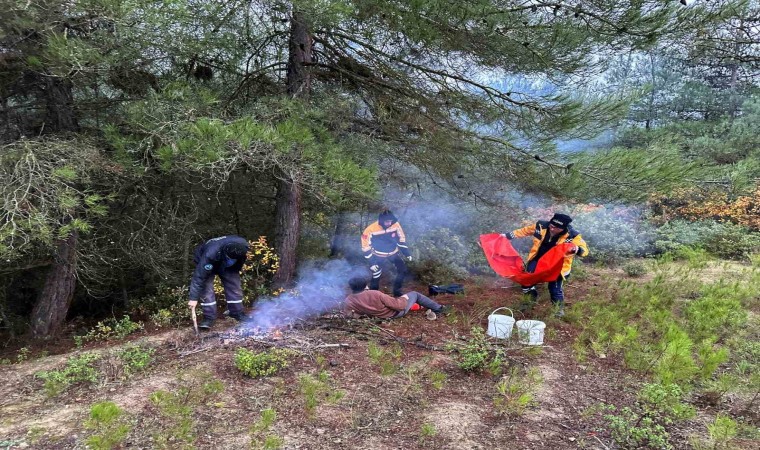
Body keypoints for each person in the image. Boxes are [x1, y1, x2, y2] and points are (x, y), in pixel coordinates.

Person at [503, 213, 589, 317]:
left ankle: (558, 311)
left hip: (558, 266)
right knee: (527, 280)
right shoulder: (541, 226)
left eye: (556, 228)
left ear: (563, 228)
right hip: (537, 259)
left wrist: (576, 249)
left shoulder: (573, 235)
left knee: (554, 289)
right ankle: (529, 300)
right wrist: (505, 236)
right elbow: (524, 231)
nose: (552, 229)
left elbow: (584, 250)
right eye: (551, 225)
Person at [187, 235, 252, 330]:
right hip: (207, 260)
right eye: (230, 258)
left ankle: (236, 312)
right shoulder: (209, 255)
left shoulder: (243, 248)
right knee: (206, 288)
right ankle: (209, 318)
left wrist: (234, 268)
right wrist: (193, 298)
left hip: (226, 264)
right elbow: (199, 277)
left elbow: (239, 263)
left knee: (234, 284)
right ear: (226, 253)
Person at [342, 276, 451, 320]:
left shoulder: (349, 300)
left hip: (376, 318)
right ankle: (440, 309)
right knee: (415, 294)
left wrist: (367, 314)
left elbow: (351, 315)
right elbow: (399, 306)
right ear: (365, 285)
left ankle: (424, 307)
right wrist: (403, 299)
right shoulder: (375, 293)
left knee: (405, 297)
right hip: (393, 314)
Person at [361, 209, 412, 297]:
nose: (389, 223)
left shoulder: (395, 225)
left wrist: (406, 253)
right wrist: (372, 263)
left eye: (390, 221)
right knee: (376, 274)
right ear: (381, 221)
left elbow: (401, 239)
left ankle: (397, 291)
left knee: (402, 270)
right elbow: (365, 247)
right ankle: (374, 295)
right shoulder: (370, 229)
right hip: (378, 255)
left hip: (393, 253)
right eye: (387, 222)